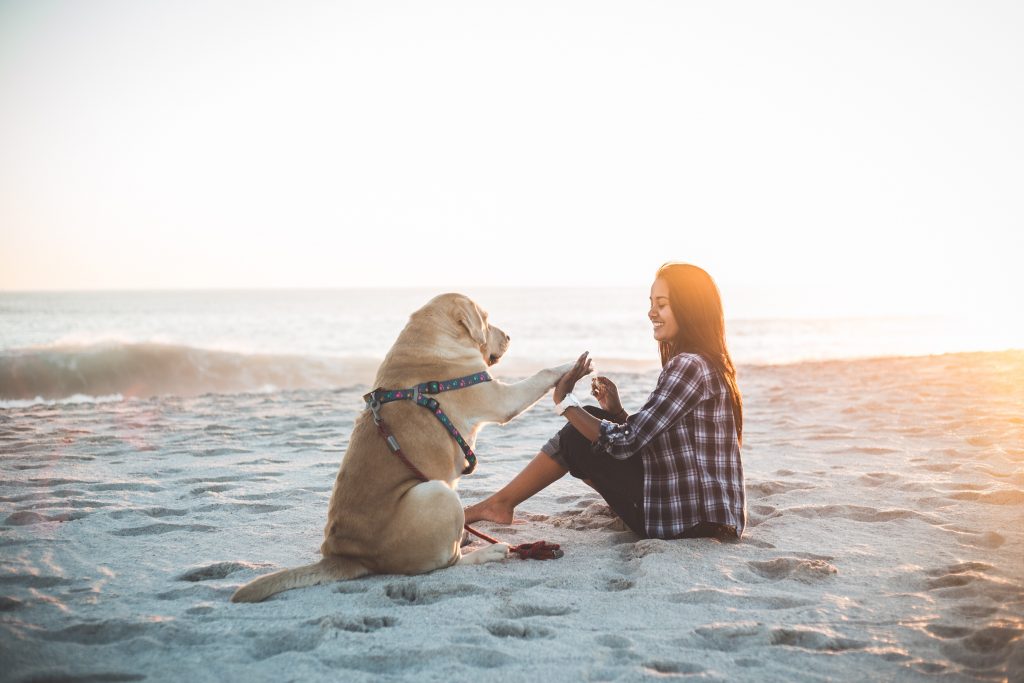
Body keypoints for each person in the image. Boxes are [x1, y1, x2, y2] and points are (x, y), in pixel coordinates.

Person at [464, 263, 745, 540]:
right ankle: (501, 503)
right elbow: (667, 443)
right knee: (598, 423)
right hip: (710, 516)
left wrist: (565, 403)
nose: (651, 313)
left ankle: (499, 504)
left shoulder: (688, 365)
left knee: (578, 433)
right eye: (651, 303)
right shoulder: (709, 364)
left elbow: (629, 442)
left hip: (684, 520)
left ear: (690, 307)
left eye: (662, 304)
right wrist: (618, 413)